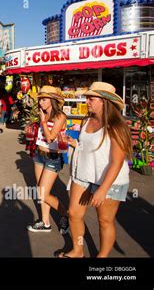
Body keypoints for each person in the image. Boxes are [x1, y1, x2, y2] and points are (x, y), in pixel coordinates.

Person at [58, 82, 132, 258]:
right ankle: (78, 250)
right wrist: (75, 143)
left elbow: (116, 161)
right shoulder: (87, 120)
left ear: (104, 101)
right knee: (74, 214)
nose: (87, 102)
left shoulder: (117, 126)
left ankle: (102, 256)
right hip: (83, 176)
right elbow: (89, 147)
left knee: (105, 221)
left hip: (110, 180)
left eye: (91, 98)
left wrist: (103, 189)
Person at [27, 86, 69, 234]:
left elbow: (51, 137)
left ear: (52, 100)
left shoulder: (60, 116)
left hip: (53, 157)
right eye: (40, 100)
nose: (40, 103)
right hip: (39, 155)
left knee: (43, 193)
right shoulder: (43, 114)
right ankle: (45, 223)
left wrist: (43, 122)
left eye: (44, 99)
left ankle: (66, 215)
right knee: (41, 190)